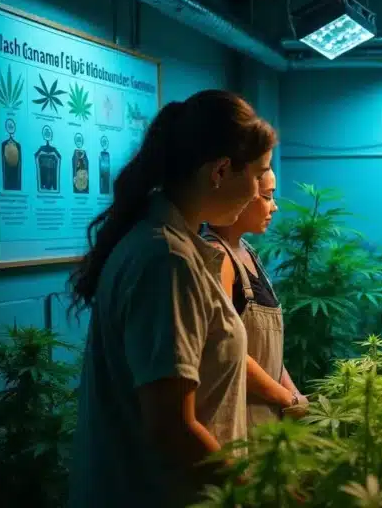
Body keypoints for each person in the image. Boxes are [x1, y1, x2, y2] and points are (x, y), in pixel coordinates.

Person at [67, 90, 277, 508]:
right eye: (259, 176)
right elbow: (171, 428)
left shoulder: (168, 246)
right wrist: (261, 491)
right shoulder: (167, 262)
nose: (260, 192)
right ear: (220, 170)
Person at [202, 167, 310, 426]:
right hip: (239, 418)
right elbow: (225, 350)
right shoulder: (217, 256)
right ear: (242, 195)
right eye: (267, 196)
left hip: (267, 413)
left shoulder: (248, 252)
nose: (274, 207)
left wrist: (293, 393)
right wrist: (286, 398)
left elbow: (268, 354)